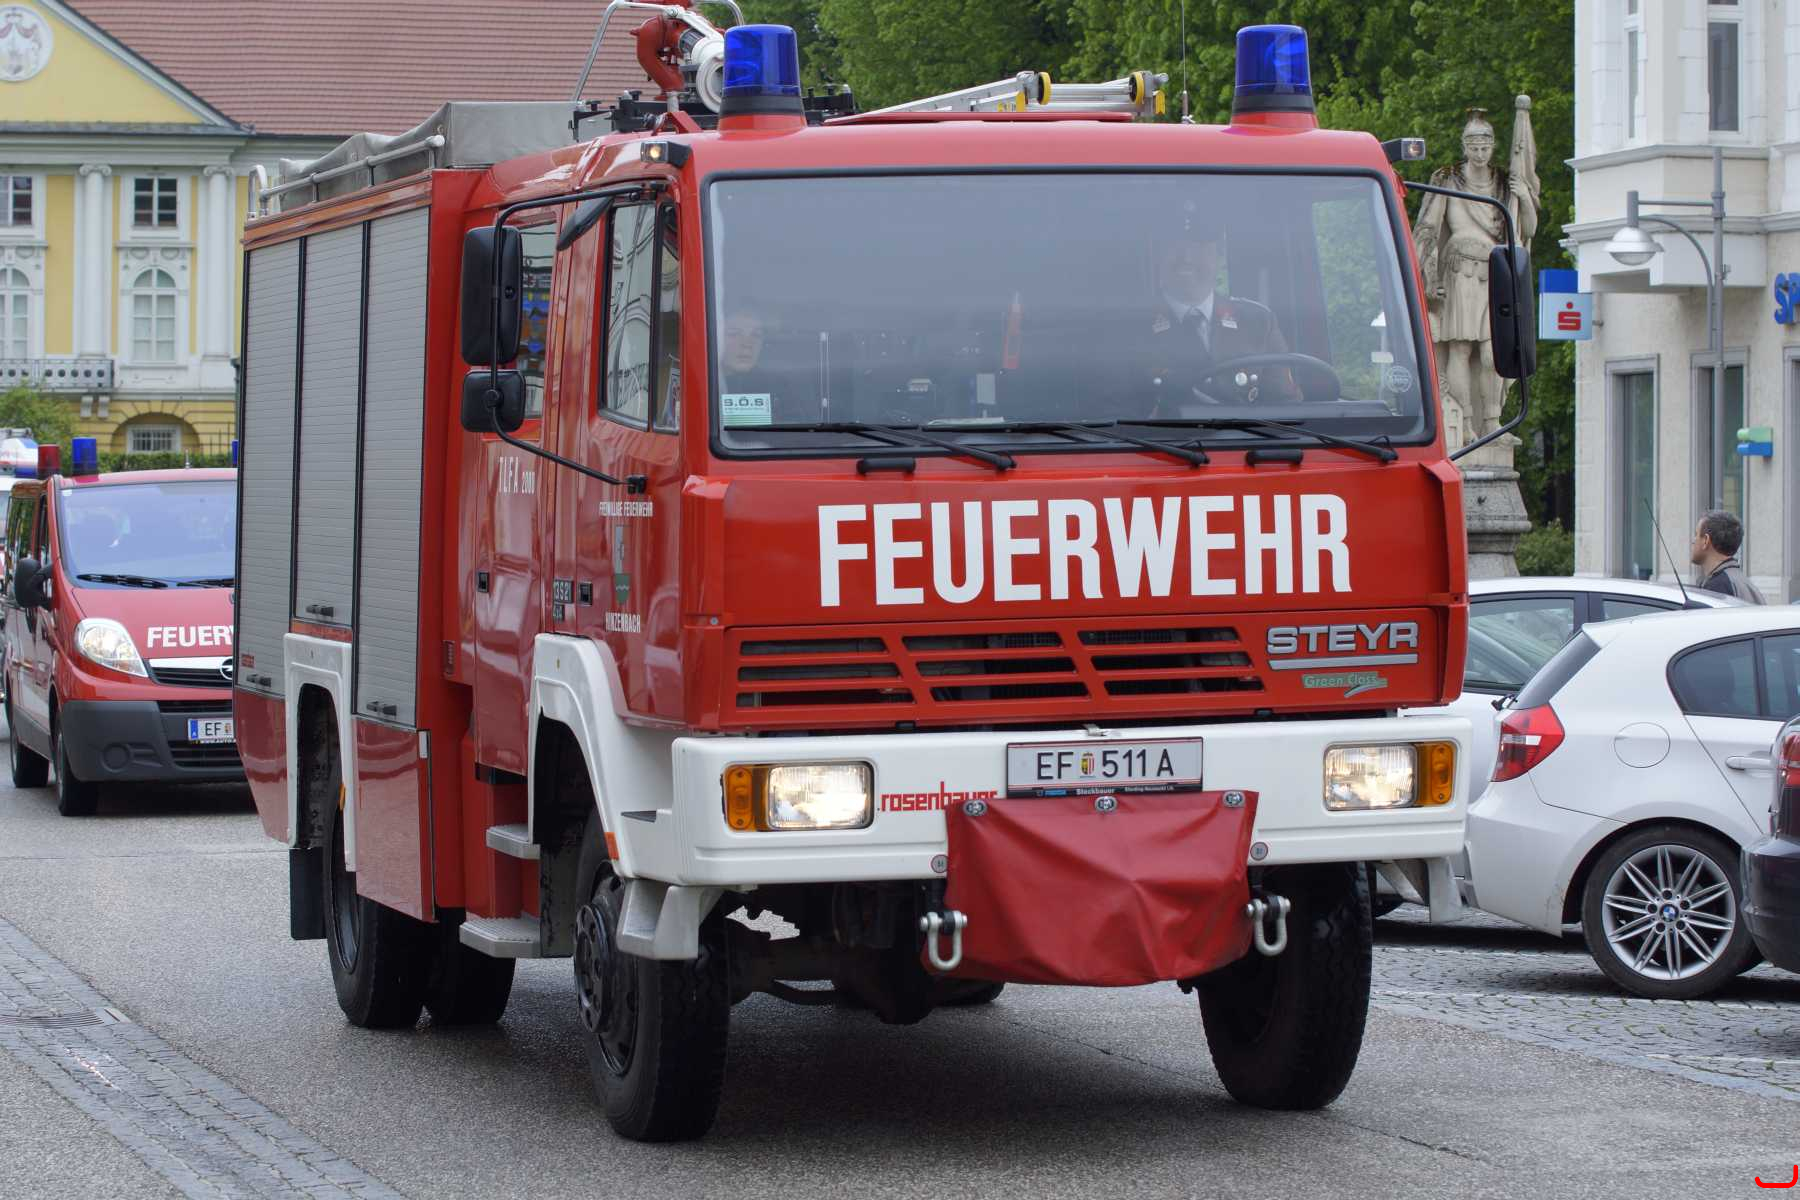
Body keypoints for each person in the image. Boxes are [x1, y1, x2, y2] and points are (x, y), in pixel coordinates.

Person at [1139, 208, 1295, 414]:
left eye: (1198, 247)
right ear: (1159, 257)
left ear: (1220, 257)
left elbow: (1287, 410)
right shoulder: (1129, 327)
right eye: (1174, 246)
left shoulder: (1258, 322)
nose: (1186, 258)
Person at [1691, 509, 1766, 603]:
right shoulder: (1740, 581)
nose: (1693, 541)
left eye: (1696, 534)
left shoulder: (1718, 587)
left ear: (1706, 540)